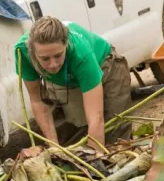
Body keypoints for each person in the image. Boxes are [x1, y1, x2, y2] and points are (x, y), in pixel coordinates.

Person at [15, 16, 132, 149]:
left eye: (58, 55)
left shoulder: (80, 54)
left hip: (106, 66)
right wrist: (54, 147)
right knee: (78, 131)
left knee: (115, 133)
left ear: (66, 45)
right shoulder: (22, 52)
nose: (53, 64)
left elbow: (95, 118)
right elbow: (37, 101)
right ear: (32, 51)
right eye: (45, 59)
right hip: (72, 78)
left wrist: (95, 159)